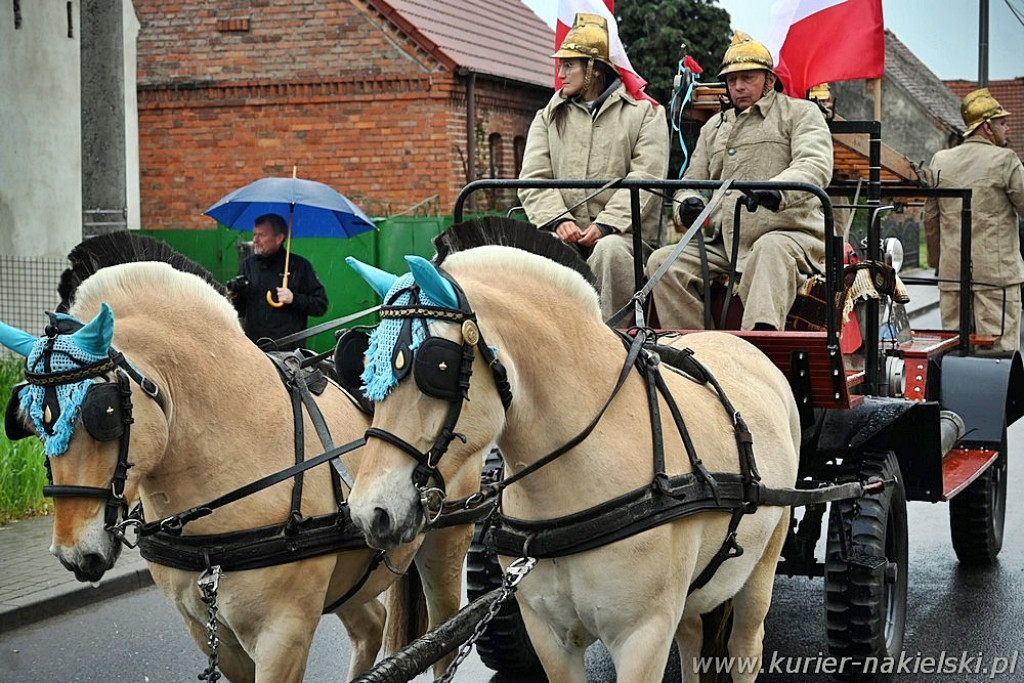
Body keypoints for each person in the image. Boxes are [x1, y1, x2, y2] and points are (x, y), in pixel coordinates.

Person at [646, 31, 833, 331]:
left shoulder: (801, 113)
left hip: (789, 235)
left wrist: (777, 192)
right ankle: (694, 355)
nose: (739, 87)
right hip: (724, 244)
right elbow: (691, 181)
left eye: (748, 78)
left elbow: (815, 164)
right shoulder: (713, 128)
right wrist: (687, 204)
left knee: (769, 251)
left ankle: (757, 353)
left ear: (770, 80)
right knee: (663, 262)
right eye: (732, 80)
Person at [518, 12, 669, 321]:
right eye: (561, 64)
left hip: (628, 238)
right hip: (566, 231)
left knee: (608, 252)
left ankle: (612, 342)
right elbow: (533, 178)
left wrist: (605, 225)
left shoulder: (645, 114)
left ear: (594, 70)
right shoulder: (547, 116)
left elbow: (646, 176)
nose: (560, 73)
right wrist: (558, 220)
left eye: (569, 64)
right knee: (539, 251)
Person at [924, 88, 1024, 353]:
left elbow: (931, 219)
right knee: (997, 353)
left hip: (953, 277)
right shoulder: (1005, 160)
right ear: (987, 128)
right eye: (1002, 123)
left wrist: (938, 263)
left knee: (953, 349)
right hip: (997, 278)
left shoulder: (940, 160)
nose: (1007, 129)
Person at [229, 212, 329, 351]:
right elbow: (239, 311)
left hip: (289, 352)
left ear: (279, 238)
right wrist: (235, 296)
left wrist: (294, 299)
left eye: (262, 235)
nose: (255, 240)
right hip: (255, 350)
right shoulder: (248, 265)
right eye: (254, 234)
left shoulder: (299, 266)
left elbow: (320, 305)